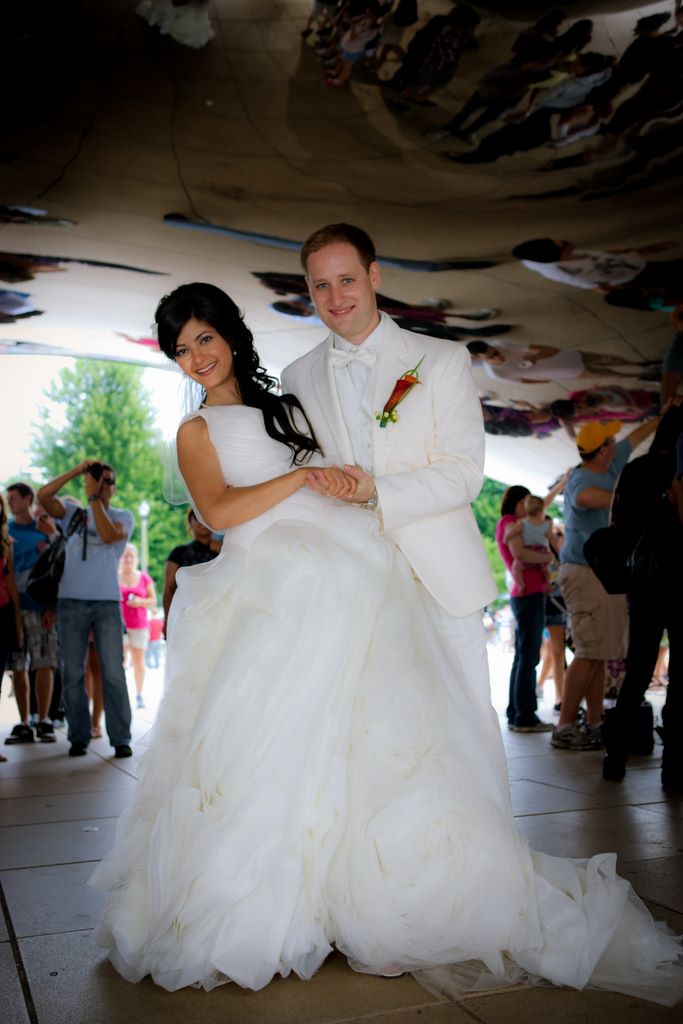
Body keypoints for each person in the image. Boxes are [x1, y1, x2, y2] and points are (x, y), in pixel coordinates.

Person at [90, 280, 683, 1003]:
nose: (196, 357)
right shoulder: (196, 430)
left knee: (366, 732)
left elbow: (338, 469)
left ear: (229, 333)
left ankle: (366, 897)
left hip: (340, 562)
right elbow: (217, 511)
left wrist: (341, 483)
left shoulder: (285, 407)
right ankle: (287, 898)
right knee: (271, 743)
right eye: (181, 350)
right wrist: (299, 480)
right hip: (268, 583)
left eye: (203, 339)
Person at [553, 416, 661, 750]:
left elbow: (635, 438)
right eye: (611, 442)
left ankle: (596, 722)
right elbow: (584, 498)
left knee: (599, 652)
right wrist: (625, 495)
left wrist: (662, 416)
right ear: (603, 450)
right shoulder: (581, 478)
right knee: (588, 652)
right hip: (583, 573)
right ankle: (564, 727)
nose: (618, 444)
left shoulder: (611, 463)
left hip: (601, 576)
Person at [602, 403, 683, 789]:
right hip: (678, 579)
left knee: (637, 670)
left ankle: (615, 758)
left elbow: (615, 525)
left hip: (643, 584)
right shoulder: (677, 472)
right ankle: (674, 767)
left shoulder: (634, 470)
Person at [37, 461, 134, 758]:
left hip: (106, 603)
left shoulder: (123, 517)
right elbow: (43, 496)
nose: (103, 485)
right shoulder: (72, 514)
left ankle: (120, 737)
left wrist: (93, 497)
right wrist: (77, 472)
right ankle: (78, 736)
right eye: (98, 480)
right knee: (73, 672)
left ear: (113, 488)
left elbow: (107, 535)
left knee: (113, 671)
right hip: (70, 602)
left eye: (108, 481)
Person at [495, 478, 566, 732]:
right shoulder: (510, 523)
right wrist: (547, 557)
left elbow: (541, 506)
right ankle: (525, 716)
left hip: (526, 593)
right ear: (517, 503)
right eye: (525, 503)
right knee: (528, 656)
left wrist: (561, 484)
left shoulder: (514, 523)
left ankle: (516, 712)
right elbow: (520, 554)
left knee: (523, 656)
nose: (529, 508)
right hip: (528, 593)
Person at [4, 483, 59, 745]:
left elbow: (58, 567)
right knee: (18, 665)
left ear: (28, 499)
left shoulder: (44, 530)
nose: (9, 502)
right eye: (7, 498)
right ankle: (24, 721)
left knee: (44, 661)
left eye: (13, 498)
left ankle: (44, 719)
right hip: (13, 607)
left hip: (40, 605)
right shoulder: (5, 532)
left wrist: (51, 606)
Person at [162, 508, 220, 632]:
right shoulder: (179, 552)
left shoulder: (223, 550)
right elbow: (168, 589)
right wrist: (168, 619)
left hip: (217, 614)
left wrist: (224, 551)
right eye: (197, 518)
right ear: (190, 522)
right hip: (187, 614)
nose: (201, 522)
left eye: (204, 517)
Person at [118, 543, 156, 709]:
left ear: (136, 559)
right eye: (125, 556)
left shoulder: (144, 578)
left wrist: (140, 602)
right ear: (120, 558)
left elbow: (153, 600)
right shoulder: (114, 577)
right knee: (119, 662)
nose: (129, 559)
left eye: (131, 556)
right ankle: (121, 695)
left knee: (138, 662)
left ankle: (139, 694)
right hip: (119, 625)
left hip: (139, 625)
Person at [505, 494, 551, 594]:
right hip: (542, 551)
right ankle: (548, 582)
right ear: (541, 511)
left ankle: (521, 585)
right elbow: (551, 538)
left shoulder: (523, 523)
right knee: (545, 569)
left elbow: (513, 532)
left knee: (516, 568)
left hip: (530, 549)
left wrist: (506, 538)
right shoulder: (546, 524)